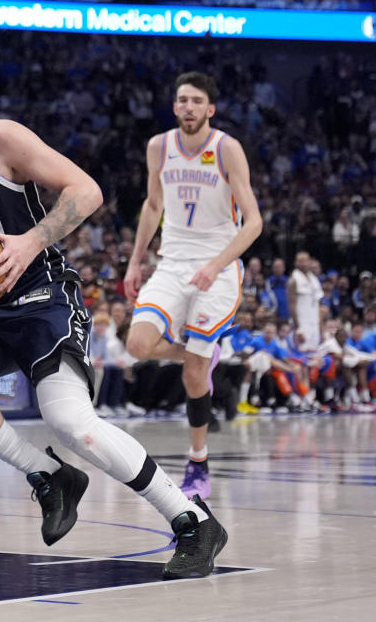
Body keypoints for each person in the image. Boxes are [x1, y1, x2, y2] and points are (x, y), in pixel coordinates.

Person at [0, 60, 226, 579]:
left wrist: (29, 242)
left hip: (43, 296)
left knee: (71, 423)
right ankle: (47, 474)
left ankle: (192, 520)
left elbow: (86, 191)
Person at [124, 71, 262, 502]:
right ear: (175, 105)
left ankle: (198, 459)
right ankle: (201, 354)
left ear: (210, 109)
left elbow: (254, 222)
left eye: (196, 101)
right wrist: (134, 261)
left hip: (217, 266)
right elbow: (152, 205)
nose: (187, 107)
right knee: (138, 346)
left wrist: (217, 264)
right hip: (172, 262)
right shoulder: (159, 146)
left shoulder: (226, 149)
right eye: (182, 100)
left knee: (194, 375)